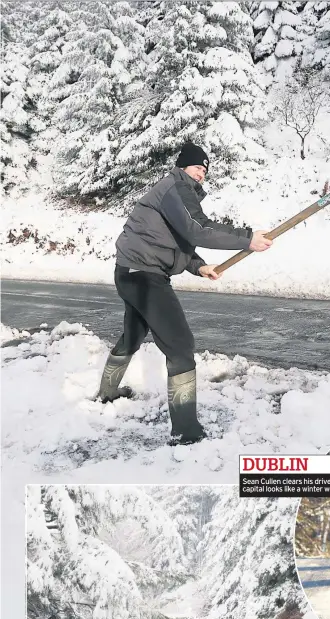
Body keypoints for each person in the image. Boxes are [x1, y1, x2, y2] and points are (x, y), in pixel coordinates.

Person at [96, 142, 273, 444]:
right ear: (182, 166)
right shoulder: (174, 188)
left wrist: (199, 267)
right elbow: (197, 229)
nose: (201, 173)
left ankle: (107, 394)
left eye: (205, 170)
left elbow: (178, 240)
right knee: (180, 346)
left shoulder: (176, 192)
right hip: (144, 275)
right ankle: (185, 433)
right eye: (197, 167)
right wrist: (246, 239)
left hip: (133, 272)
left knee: (133, 335)